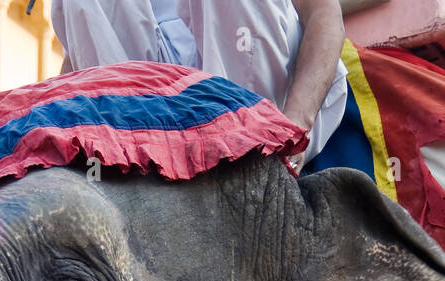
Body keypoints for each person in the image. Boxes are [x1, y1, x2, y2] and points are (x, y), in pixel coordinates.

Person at [51, 0, 350, 169]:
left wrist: (296, 124)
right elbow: (78, 54)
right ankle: (132, 147)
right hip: (154, 112)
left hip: (267, 109)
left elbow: (324, 13)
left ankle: (250, 140)